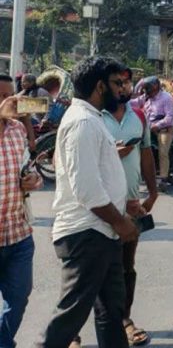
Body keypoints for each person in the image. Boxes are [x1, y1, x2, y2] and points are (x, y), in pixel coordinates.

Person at [36, 56, 140, 348]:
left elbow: (93, 174)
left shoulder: (92, 119)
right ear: (99, 86)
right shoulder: (82, 122)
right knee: (69, 317)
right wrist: (121, 222)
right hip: (88, 235)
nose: (121, 89)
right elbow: (87, 190)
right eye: (116, 83)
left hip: (102, 232)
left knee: (111, 312)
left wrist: (124, 205)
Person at [101, 69, 159, 345]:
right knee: (90, 270)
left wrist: (153, 191)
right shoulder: (92, 117)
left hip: (132, 205)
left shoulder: (138, 116)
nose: (124, 88)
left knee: (126, 266)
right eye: (118, 83)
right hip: (98, 207)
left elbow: (145, 153)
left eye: (126, 82)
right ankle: (73, 332)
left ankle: (125, 319)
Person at [0, 75, 43, 348]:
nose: (9, 101)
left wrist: (32, 179)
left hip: (18, 235)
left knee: (18, 299)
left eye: (9, 94)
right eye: (1, 96)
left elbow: (30, 168)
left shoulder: (17, 129)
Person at [130, 76, 173, 191]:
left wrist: (157, 125)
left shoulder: (166, 98)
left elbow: (170, 117)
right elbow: (134, 103)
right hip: (148, 128)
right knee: (137, 147)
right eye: (145, 89)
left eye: (147, 88)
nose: (146, 91)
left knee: (163, 152)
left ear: (155, 87)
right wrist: (119, 101)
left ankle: (163, 179)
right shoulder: (147, 97)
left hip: (164, 129)